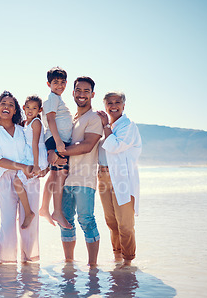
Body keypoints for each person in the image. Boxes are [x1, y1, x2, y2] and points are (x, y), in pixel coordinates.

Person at [0, 91, 40, 264]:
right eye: (3, 103)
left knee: (30, 225)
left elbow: (36, 146)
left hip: (28, 177)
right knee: (8, 224)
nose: (6, 107)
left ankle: (30, 265)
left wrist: (39, 167)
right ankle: (6, 265)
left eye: (10, 104)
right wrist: (20, 166)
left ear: (16, 110)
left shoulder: (24, 130)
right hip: (6, 178)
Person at [54, 76, 103, 267]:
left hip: (84, 179)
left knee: (86, 220)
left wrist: (59, 153)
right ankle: (69, 263)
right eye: (78, 90)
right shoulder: (72, 119)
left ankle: (92, 267)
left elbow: (87, 146)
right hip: (65, 179)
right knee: (65, 221)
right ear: (73, 93)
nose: (82, 94)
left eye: (86, 91)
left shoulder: (94, 118)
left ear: (92, 94)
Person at [97, 91, 142, 268]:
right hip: (102, 176)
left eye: (117, 102)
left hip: (122, 178)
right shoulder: (104, 125)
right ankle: (117, 258)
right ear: (105, 105)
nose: (113, 105)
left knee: (125, 224)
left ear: (124, 106)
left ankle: (128, 261)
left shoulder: (128, 126)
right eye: (109, 102)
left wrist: (106, 127)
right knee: (111, 222)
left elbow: (115, 146)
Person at [39, 67, 73, 230]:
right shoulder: (53, 98)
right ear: (49, 84)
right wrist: (59, 142)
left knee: (54, 176)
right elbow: (51, 119)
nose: (59, 85)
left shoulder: (57, 99)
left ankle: (44, 208)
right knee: (59, 175)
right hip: (56, 139)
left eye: (62, 82)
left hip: (56, 139)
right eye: (55, 82)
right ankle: (57, 211)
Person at [13, 95, 48, 229]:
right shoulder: (26, 123)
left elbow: (35, 144)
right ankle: (24, 212)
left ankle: (29, 213)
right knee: (18, 183)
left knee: (17, 182)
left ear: (39, 110)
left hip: (36, 158)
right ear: (23, 107)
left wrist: (37, 165)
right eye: (27, 107)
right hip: (29, 158)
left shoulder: (36, 123)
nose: (30, 110)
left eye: (34, 108)